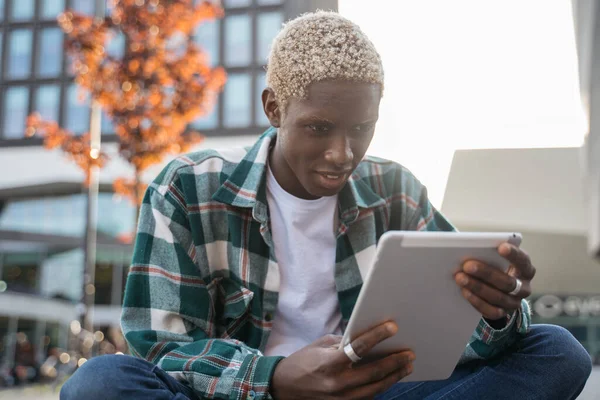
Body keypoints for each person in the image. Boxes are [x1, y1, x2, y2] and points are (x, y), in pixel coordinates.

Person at [61, 11, 592, 400]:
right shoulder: (187, 189)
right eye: (318, 128)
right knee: (99, 384)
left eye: (362, 129)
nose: (343, 154)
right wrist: (276, 377)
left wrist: (495, 313)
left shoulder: (396, 190)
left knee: (556, 351)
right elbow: (159, 346)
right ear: (274, 108)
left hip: (375, 393)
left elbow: (471, 345)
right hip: (247, 394)